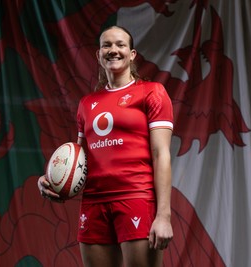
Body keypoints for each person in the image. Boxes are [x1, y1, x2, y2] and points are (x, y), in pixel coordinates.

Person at [38, 25, 173, 267]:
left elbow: (161, 154)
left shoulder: (152, 93)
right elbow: (79, 160)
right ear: (98, 55)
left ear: (132, 54)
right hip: (93, 203)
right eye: (106, 45)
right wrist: (52, 180)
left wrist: (163, 215)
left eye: (120, 44)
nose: (113, 50)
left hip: (136, 197)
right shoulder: (87, 103)